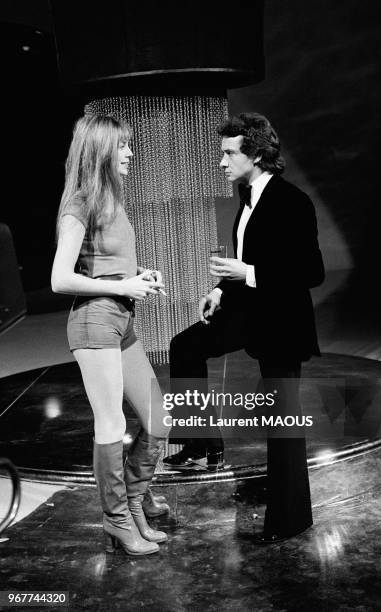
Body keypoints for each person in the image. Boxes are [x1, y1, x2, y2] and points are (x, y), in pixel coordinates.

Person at [164, 113, 325, 542]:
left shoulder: (293, 201)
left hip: (282, 322)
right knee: (184, 346)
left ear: (255, 153)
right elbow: (249, 255)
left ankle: (291, 518)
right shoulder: (246, 194)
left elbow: (311, 271)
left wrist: (247, 271)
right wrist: (220, 287)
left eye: (229, 153)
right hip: (248, 309)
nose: (221, 161)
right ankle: (201, 441)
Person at [51, 114, 170, 556]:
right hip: (94, 322)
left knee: (159, 418)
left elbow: (102, 266)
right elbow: (60, 279)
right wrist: (122, 285)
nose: (130, 154)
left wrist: (136, 276)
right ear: (101, 150)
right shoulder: (79, 203)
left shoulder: (111, 201)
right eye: (122, 146)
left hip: (122, 321)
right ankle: (117, 520)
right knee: (112, 423)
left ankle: (135, 502)